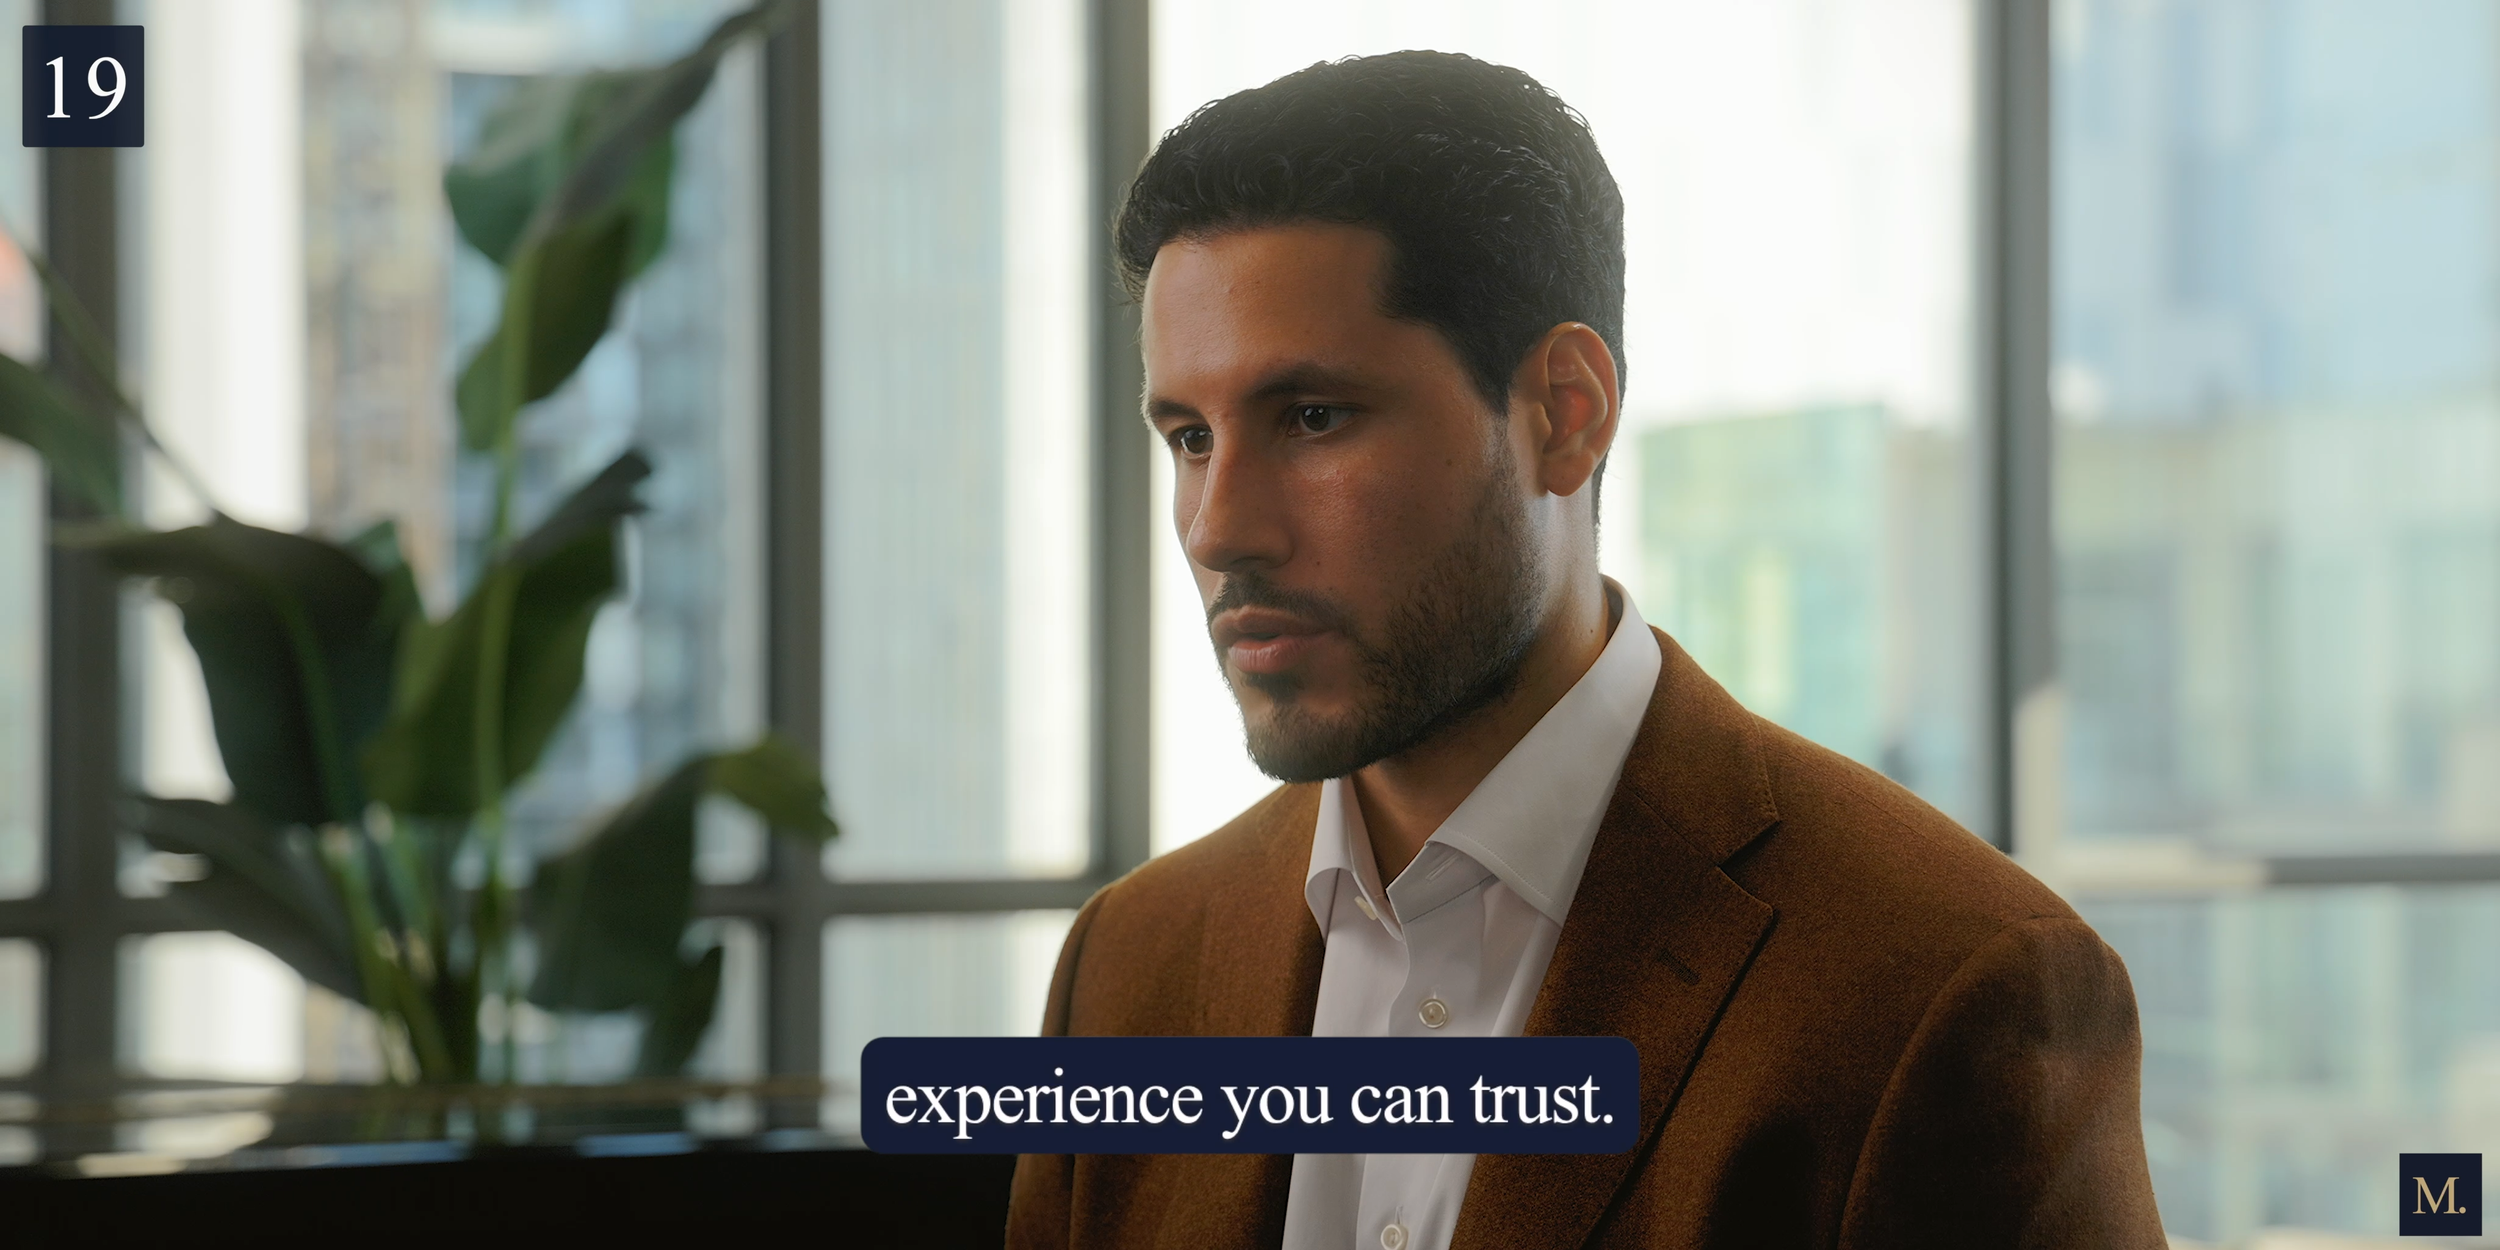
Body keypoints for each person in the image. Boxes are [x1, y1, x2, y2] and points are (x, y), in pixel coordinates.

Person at [1008, 50, 2164, 1249]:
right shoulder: (1129, 965)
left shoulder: (1942, 985)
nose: (1217, 528)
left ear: (1565, 412)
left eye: (1312, 417)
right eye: (1189, 436)